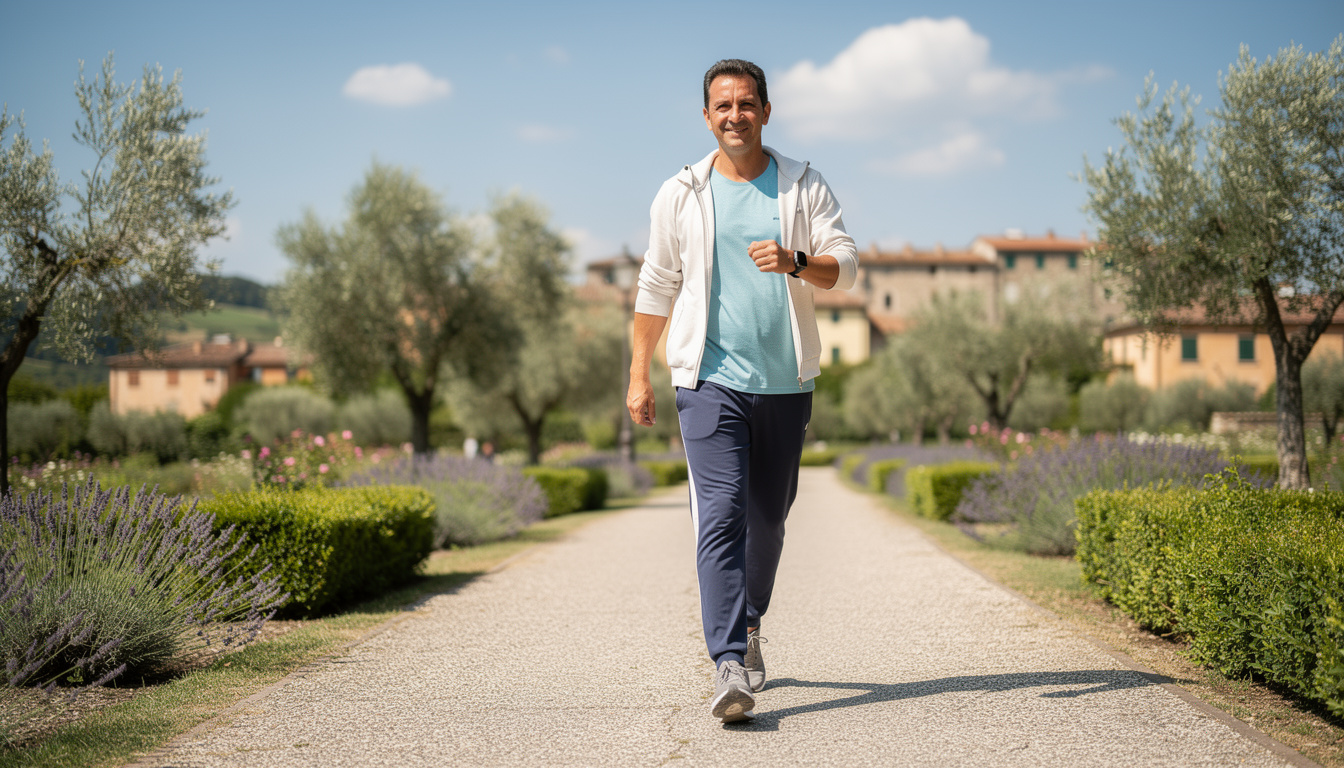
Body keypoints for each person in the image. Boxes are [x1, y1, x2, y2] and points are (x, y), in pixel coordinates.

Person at [627, 58, 857, 723]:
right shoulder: (681, 192)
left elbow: (846, 263)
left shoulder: (802, 186)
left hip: (785, 382)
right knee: (720, 513)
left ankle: (751, 619)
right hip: (707, 380)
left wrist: (797, 261)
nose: (735, 116)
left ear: (765, 111)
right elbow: (655, 286)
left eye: (747, 104)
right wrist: (639, 372)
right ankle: (729, 662)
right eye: (723, 106)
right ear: (707, 117)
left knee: (769, 518)